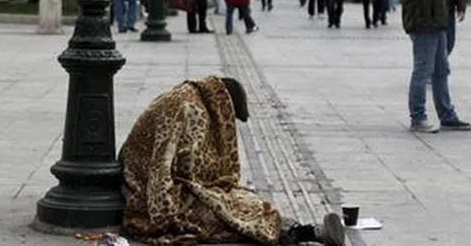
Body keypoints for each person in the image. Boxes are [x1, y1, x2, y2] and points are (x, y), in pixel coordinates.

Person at [119, 76, 346, 246]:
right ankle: (303, 233)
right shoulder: (187, 108)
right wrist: (166, 218)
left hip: (166, 181)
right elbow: (160, 170)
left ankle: (305, 231)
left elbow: (187, 163)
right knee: (223, 212)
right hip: (143, 185)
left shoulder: (194, 99)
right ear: (224, 107)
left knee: (240, 200)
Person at [400, 0, 471, 133]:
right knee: (423, 71)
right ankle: (418, 117)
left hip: (434, 21)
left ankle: (447, 114)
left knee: (441, 70)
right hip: (425, 22)